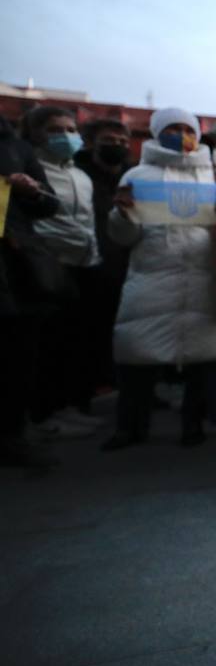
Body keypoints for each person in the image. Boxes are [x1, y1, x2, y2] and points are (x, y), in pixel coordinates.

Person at [103, 107, 216, 449]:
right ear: (155, 133)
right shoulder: (137, 175)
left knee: (202, 361)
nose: (181, 135)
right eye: (172, 128)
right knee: (136, 358)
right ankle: (130, 428)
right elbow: (123, 237)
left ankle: (194, 425)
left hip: (205, 278)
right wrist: (122, 214)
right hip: (151, 279)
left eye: (187, 128)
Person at [19, 107, 105, 439]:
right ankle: (44, 412)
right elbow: (42, 220)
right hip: (45, 264)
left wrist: (90, 249)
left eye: (71, 129)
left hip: (83, 264)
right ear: (38, 133)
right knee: (48, 345)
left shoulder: (80, 176)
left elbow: (87, 223)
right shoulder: (32, 170)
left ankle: (69, 406)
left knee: (74, 340)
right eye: (57, 129)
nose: (66, 135)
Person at [0, 116, 62, 470]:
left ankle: (13, 434)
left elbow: (50, 204)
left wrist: (30, 191)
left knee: (17, 352)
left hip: (15, 264)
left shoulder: (15, 148)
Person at [75, 119, 135, 395]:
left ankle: (127, 385)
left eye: (123, 142)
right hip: (88, 264)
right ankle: (90, 387)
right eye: (109, 140)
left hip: (127, 263)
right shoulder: (79, 175)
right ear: (90, 143)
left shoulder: (132, 177)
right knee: (90, 330)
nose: (117, 146)